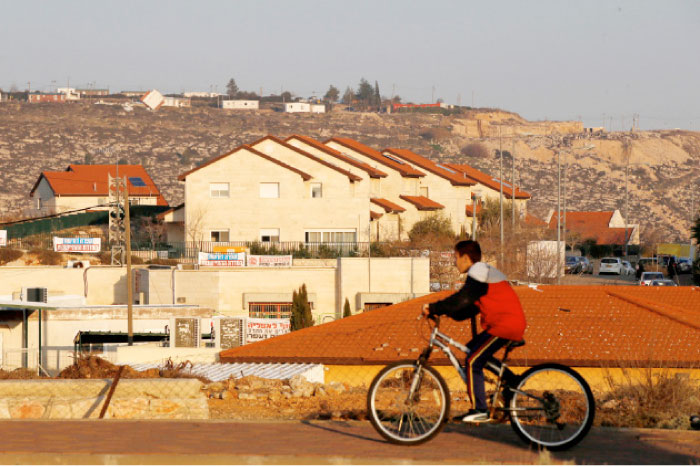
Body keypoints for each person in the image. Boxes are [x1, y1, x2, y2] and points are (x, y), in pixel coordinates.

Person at [421, 240, 526, 423]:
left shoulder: (478, 271)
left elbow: (463, 298)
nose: (455, 262)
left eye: (456, 257)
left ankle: (480, 409)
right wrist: (446, 312)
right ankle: (511, 380)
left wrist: (434, 307)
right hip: (505, 323)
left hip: (504, 325)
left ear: (466, 257)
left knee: (472, 361)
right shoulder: (483, 273)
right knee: (472, 350)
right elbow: (468, 308)